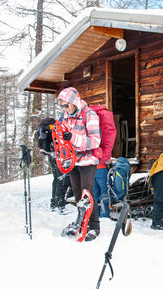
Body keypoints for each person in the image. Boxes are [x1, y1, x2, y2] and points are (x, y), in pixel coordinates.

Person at [57, 87, 101, 241]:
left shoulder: (89, 115)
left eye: (66, 105)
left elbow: (95, 141)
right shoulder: (66, 117)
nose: (64, 108)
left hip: (87, 160)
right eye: (62, 106)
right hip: (73, 160)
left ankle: (94, 226)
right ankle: (82, 223)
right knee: (76, 194)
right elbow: (63, 138)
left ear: (74, 102)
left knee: (86, 194)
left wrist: (73, 138)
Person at [37, 117, 71, 213]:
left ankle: (54, 202)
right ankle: (59, 205)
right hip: (58, 155)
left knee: (56, 178)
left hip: (52, 155)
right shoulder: (58, 125)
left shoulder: (49, 125)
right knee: (61, 179)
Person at [90, 106, 117, 218]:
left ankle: (95, 214)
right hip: (101, 166)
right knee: (104, 190)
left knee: (95, 191)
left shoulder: (86, 120)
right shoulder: (103, 120)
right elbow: (107, 140)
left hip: (90, 166)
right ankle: (105, 213)